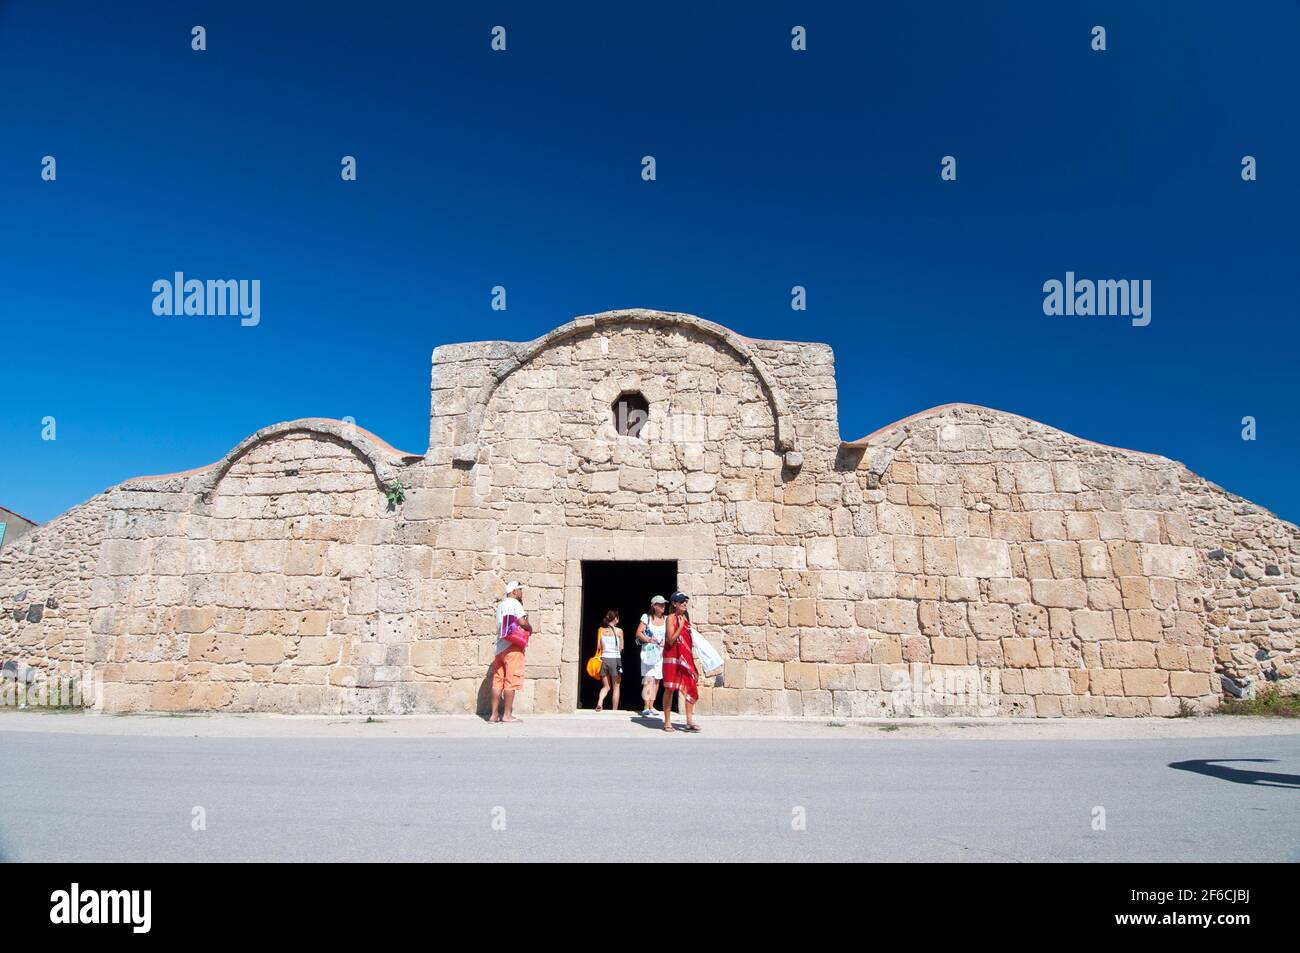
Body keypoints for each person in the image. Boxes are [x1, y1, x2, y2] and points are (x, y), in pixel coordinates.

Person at [489, 581, 532, 723]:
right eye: (520, 590)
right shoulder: (515, 604)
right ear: (514, 591)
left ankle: (493, 715)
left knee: (497, 682)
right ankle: (507, 715)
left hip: (499, 648)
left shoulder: (501, 605)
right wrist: (530, 628)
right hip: (513, 647)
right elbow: (522, 622)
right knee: (510, 681)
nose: (521, 593)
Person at [660, 592, 700, 732]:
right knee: (670, 689)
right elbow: (670, 640)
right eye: (681, 601)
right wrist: (681, 626)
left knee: (690, 685)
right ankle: (667, 721)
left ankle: (689, 720)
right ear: (674, 604)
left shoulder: (685, 618)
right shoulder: (671, 618)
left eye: (685, 601)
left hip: (685, 659)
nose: (684, 604)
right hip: (672, 658)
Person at [635, 595, 668, 717]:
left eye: (664, 604)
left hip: (661, 653)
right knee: (649, 679)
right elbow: (638, 633)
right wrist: (649, 639)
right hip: (649, 653)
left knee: (657, 679)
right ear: (654, 606)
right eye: (661, 604)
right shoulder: (647, 617)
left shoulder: (666, 619)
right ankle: (646, 706)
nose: (663, 606)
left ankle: (652, 705)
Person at [595, 610, 623, 712]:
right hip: (615, 660)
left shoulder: (601, 630)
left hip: (604, 659)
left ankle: (600, 702)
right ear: (615, 619)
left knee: (606, 686)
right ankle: (614, 710)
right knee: (616, 687)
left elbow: (599, 646)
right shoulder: (619, 631)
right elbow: (622, 647)